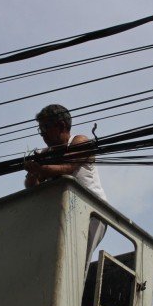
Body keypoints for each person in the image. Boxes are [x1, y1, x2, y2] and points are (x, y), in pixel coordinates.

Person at [24, 104, 106, 266]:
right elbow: (32, 186)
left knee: (77, 261)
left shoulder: (79, 141)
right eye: (40, 129)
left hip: (92, 212)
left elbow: (68, 168)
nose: (43, 134)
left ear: (61, 125)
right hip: (63, 212)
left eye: (45, 128)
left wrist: (40, 168)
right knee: (55, 261)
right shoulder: (45, 154)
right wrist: (33, 173)